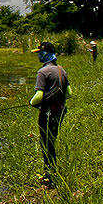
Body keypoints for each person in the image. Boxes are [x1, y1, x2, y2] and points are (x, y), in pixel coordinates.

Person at [30, 41, 72, 187]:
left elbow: (38, 97)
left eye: (40, 53)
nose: (38, 56)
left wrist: (31, 103)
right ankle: (52, 175)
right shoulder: (61, 70)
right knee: (52, 142)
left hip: (47, 113)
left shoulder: (43, 72)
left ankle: (50, 178)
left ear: (46, 54)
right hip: (60, 112)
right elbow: (69, 93)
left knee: (46, 145)